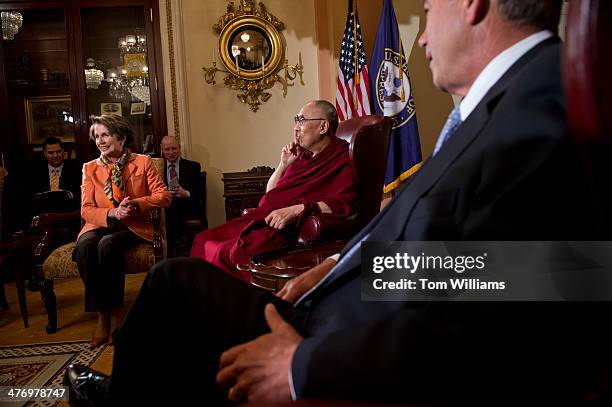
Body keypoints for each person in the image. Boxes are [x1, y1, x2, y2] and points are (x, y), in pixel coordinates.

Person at [65, 1, 611, 406]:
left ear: (472, 5)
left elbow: (537, 277)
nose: (419, 41)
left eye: (427, 11)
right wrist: (341, 262)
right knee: (174, 282)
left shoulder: (541, 108)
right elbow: (451, 250)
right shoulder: (502, 103)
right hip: (342, 304)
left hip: (355, 343)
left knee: (176, 297)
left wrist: (305, 365)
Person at [190, 100, 358, 281]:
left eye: (301, 120)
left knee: (229, 252)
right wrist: (284, 164)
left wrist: (297, 209)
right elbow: (271, 194)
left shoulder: (342, 157)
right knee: (203, 239)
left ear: (323, 126)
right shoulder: (303, 157)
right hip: (264, 216)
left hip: (283, 226)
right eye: (296, 120)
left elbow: (345, 203)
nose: (295, 128)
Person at [72, 114, 171, 349]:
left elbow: (163, 196)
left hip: (133, 224)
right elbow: (86, 210)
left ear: (121, 137)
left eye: (105, 135)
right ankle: (102, 313)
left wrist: (137, 203)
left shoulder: (143, 162)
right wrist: (112, 214)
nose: (100, 140)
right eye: (97, 136)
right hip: (101, 221)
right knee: (85, 245)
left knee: (107, 244)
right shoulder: (90, 168)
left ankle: (116, 313)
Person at [160, 135, 203, 256]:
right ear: (162, 150)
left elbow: (199, 194)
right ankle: (172, 251)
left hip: (187, 206)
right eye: (167, 149)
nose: (171, 152)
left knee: (173, 208)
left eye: (174, 148)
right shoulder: (156, 167)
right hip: (166, 206)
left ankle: (173, 251)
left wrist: (186, 193)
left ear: (179, 148)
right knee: (168, 208)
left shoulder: (193, 167)